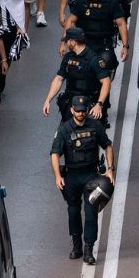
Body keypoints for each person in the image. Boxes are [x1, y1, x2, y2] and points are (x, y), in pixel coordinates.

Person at [50, 95, 114, 265]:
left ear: (87, 110)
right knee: (73, 211)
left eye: (83, 110)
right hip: (71, 176)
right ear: (72, 110)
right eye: (77, 110)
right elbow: (55, 154)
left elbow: (107, 145)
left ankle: (88, 249)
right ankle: (76, 245)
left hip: (91, 176)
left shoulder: (95, 126)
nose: (80, 113)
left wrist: (110, 170)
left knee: (91, 212)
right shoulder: (64, 130)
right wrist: (57, 176)